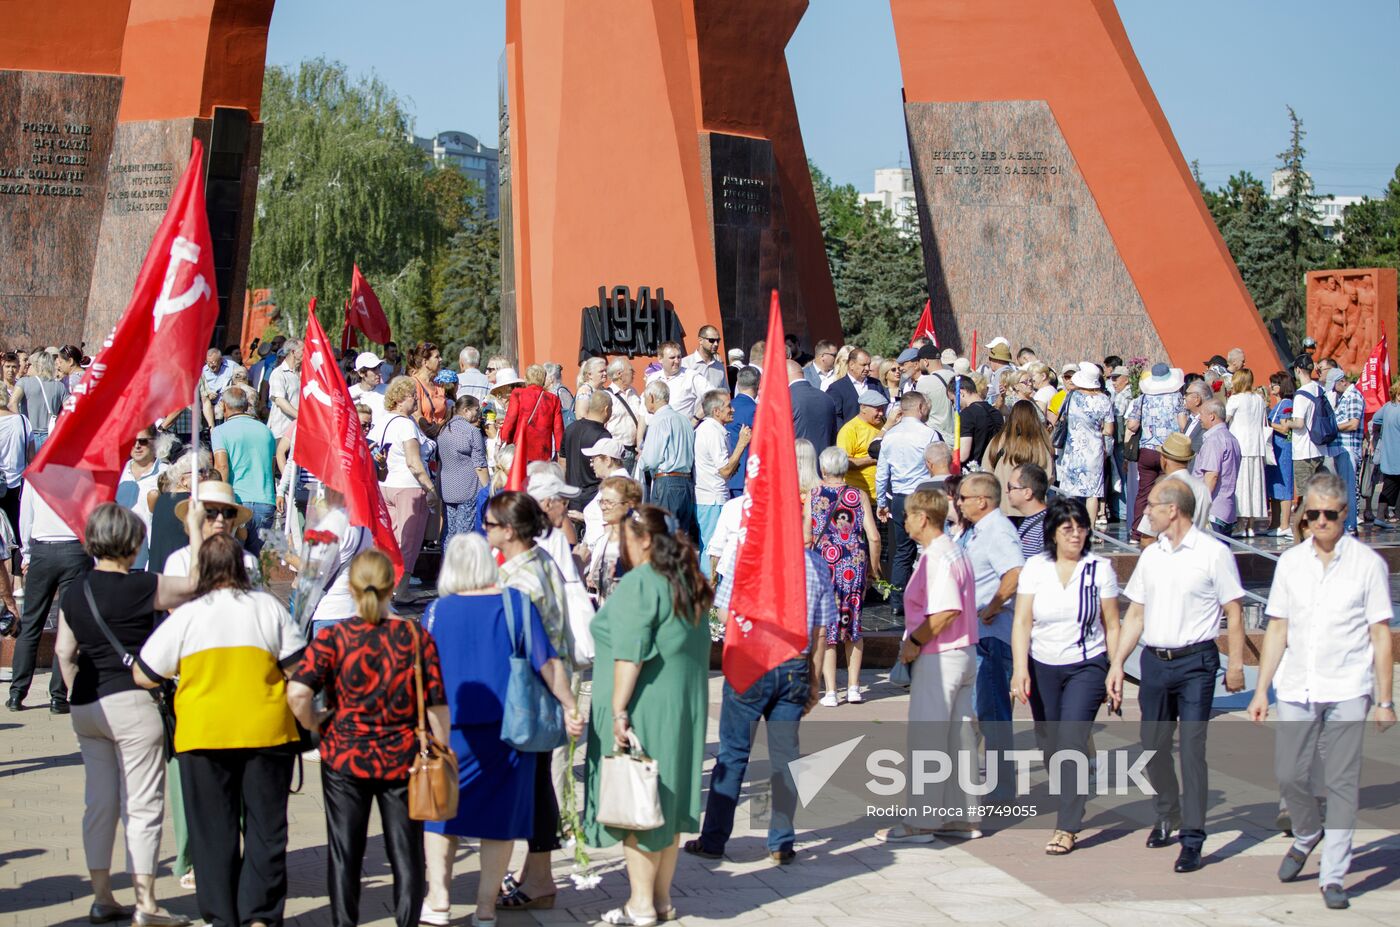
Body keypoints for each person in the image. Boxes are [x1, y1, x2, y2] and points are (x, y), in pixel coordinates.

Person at [135, 534, 308, 927]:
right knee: (266, 830)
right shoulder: (267, 607)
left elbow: (144, 673)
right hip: (266, 733)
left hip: (203, 735)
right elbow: (301, 668)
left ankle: (221, 917)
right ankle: (260, 915)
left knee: (212, 833)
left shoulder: (189, 615)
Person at [1247, 472, 1395, 910]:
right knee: (1291, 774)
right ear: (1304, 516)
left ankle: (1333, 874)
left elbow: (1381, 634)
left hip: (1349, 684)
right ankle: (1308, 833)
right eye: (1313, 515)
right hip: (1296, 683)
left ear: (1345, 515)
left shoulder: (1368, 565)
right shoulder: (1291, 563)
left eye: (1330, 514)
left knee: (1342, 781)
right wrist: (1261, 691)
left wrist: (1385, 700)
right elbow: (1277, 627)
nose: (1322, 522)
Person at [419, 534, 584, 926]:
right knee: (499, 823)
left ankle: (439, 901)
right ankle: (486, 909)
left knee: (441, 815)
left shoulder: (435, 612)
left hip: (448, 730)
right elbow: (548, 663)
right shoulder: (515, 604)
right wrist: (569, 704)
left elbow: (422, 674)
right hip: (509, 731)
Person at [54, 504, 203, 927]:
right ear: (134, 543)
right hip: (133, 702)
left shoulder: (75, 590)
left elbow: (66, 653)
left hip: (87, 705)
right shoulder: (142, 586)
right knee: (142, 805)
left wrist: (76, 694)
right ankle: (146, 903)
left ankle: (102, 896)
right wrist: (193, 531)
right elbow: (196, 583)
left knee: (98, 803)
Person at [287, 550, 450, 927]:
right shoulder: (414, 636)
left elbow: (296, 692)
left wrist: (318, 723)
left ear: (351, 587)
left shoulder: (336, 638)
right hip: (401, 756)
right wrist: (440, 748)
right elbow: (437, 704)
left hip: (345, 754)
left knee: (345, 851)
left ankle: (345, 921)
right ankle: (406, 921)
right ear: (391, 586)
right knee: (406, 851)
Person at [1107, 479, 1246, 874]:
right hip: (1154, 660)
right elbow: (1135, 614)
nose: (1145, 511)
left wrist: (1235, 664)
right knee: (1152, 744)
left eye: (1152, 505)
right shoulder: (1151, 556)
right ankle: (1167, 813)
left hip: (1196, 663)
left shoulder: (1213, 553)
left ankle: (1193, 839)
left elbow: (1234, 611)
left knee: (1191, 750)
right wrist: (1117, 663)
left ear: (1174, 510)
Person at [583, 505, 712, 926]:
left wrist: (619, 711)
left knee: (641, 803)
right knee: (666, 803)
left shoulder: (642, 582)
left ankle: (640, 904)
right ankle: (660, 900)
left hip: (646, 703)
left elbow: (629, 653)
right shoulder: (687, 579)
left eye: (623, 535)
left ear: (641, 539)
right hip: (681, 703)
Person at [684, 541, 834, 863]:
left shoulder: (746, 556)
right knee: (785, 756)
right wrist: (814, 680)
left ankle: (713, 839)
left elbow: (724, 615)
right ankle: (781, 841)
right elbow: (820, 631)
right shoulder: (816, 564)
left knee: (734, 753)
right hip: (794, 663)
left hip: (752, 659)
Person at [1010, 498, 1120, 855]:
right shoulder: (1036, 568)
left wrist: (1115, 667)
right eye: (1067, 528)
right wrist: (1020, 669)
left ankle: (1067, 825)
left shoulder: (1098, 568)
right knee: (1051, 743)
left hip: (1086, 664)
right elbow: (1022, 620)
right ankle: (1074, 783)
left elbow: (1112, 624)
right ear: (1053, 533)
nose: (1075, 534)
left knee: (1071, 741)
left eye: (1081, 527)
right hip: (1042, 664)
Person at [485, 492, 575, 910]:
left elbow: (534, 646)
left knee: (531, 785)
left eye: (490, 524)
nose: (485, 530)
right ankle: (536, 874)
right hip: (543, 684)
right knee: (537, 783)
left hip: (531, 688)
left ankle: (537, 876)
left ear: (509, 530)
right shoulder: (540, 561)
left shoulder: (521, 577)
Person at [878, 488, 981, 843]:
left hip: (940, 656)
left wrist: (914, 643)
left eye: (907, 515)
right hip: (963, 652)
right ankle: (961, 816)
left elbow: (946, 609)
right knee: (959, 735)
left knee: (928, 737)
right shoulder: (953, 549)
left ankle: (921, 822)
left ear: (923, 517)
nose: (904, 521)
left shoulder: (937, 555)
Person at [953, 471, 1025, 803]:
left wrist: (991, 607)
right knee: (977, 712)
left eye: (964, 497)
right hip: (973, 635)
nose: (959, 502)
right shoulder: (976, 531)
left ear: (982, 501)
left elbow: (1014, 572)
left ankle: (1001, 791)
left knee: (993, 713)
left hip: (991, 637)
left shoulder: (998, 530)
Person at [810, 447, 881, 707]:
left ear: (824, 468)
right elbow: (873, 535)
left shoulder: (814, 495)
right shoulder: (857, 494)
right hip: (853, 565)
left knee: (828, 626)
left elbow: (807, 535)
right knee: (853, 624)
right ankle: (854, 688)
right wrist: (873, 567)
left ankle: (830, 691)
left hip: (823, 566)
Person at [9, 486, 84, 713]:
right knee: (67, 627)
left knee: (31, 624)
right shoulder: (83, 474)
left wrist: (27, 553)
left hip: (43, 548)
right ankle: (58, 697)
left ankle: (16, 693)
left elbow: (26, 518)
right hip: (74, 548)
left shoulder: (36, 474)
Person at [372, 376, 438, 602]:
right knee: (409, 541)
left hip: (386, 484)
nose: (416, 401)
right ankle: (400, 590)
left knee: (392, 539)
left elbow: (372, 448)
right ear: (400, 399)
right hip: (408, 487)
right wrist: (430, 488)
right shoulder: (406, 425)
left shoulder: (382, 421)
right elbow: (413, 462)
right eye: (412, 396)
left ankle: (388, 584)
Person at [876, 392, 938, 612]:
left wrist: (882, 501)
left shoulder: (891, 435)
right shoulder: (929, 434)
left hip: (900, 498)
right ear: (920, 407)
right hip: (921, 496)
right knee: (929, 548)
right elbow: (936, 466)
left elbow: (882, 473)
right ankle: (927, 597)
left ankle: (897, 601)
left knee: (902, 551)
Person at [211, 388, 277, 555]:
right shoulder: (266, 431)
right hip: (265, 502)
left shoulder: (220, 431)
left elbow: (221, 467)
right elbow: (271, 465)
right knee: (252, 563)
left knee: (232, 562)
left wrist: (218, 500)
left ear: (224, 407)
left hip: (237, 502)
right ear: (247, 405)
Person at [1125, 364, 1188, 537]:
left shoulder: (1142, 398)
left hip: (1146, 450)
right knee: (1168, 489)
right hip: (1168, 451)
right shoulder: (1177, 398)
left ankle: (1138, 530)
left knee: (1144, 491)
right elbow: (1183, 424)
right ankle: (1165, 528)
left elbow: (1132, 424)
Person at [694, 390, 751, 555]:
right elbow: (726, 471)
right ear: (716, 411)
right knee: (713, 549)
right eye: (728, 406)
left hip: (714, 497)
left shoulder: (715, 430)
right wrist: (741, 444)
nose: (732, 410)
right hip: (712, 499)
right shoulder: (712, 432)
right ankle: (710, 581)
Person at [1056, 363, 1114, 524]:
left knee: (1070, 491)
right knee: (1093, 493)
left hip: (1073, 449)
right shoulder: (1104, 400)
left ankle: (1069, 525)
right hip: (1094, 451)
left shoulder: (1072, 396)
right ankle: (1091, 529)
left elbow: (1061, 419)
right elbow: (1109, 430)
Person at [639, 380, 698, 539]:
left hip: (666, 483)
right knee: (680, 538)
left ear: (651, 397)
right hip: (686, 483)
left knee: (663, 537)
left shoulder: (659, 420)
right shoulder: (684, 420)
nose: (645, 403)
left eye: (645, 399)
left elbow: (651, 459)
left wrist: (641, 459)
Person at [1134, 433, 1211, 545]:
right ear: (1188, 460)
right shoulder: (1202, 488)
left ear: (1164, 459)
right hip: (1195, 552)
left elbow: (1148, 536)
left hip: (1168, 554)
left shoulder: (1163, 488)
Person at [985, 399, 1054, 515]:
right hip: (1031, 508)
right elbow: (1048, 477)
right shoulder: (1040, 446)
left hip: (1002, 506)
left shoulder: (998, 442)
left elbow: (986, 470)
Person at [438, 395, 489, 545]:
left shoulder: (444, 429)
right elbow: (479, 465)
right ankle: (461, 566)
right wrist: (487, 488)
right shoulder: (471, 431)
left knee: (449, 533)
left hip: (447, 488)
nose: (479, 414)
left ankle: (446, 564)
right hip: (468, 488)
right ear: (466, 410)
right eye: (476, 410)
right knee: (464, 534)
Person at [584, 475, 643, 602]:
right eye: (602, 502)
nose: (604, 507)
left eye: (609, 502)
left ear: (629, 505)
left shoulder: (636, 541)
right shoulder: (605, 539)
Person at [1225, 369, 1268, 537]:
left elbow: (1225, 418)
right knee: (1254, 485)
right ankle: (1251, 525)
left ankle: (1240, 525)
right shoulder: (1259, 399)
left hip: (1240, 445)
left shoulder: (1235, 399)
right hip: (1256, 446)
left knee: (1241, 485)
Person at [1191, 398, 1242, 536]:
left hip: (1213, 511)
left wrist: (1201, 507)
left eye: (1201, 414)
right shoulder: (1231, 438)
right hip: (1226, 509)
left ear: (1212, 416)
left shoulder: (1214, 440)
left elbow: (1211, 476)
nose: (1199, 418)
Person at [1286, 354, 1331, 498]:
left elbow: (1299, 423)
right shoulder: (1319, 389)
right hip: (1319, 448)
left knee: (1306, 497)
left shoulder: (1301, 394)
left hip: (1303, 452)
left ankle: (1307, 521)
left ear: (1298, 370)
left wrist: (1286, 422)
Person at [501, 364, 564, 465]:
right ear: (543, 379)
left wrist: (505, 440)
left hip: (521, 450)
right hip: (543, 453)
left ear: (526, 379)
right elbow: (558, 430)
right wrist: (560, 453)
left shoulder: (518, 394)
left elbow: (510, 421)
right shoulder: (553, 399)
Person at [561, 390, 614, 508]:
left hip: (572, 496)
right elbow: (607, 470)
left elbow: (562, 463)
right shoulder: (603, 435)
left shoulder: (570, 429)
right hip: (593, 498)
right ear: (606, 409)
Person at [8, 348, 67, 450]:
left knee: (28, 465)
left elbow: (12, 403)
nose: (27, 366)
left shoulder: (24, 382)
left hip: (29, 434)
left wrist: (20, 425)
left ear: (38, 366)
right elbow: (70, 409)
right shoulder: (60, 386)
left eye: (30, 364)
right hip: (51, 436)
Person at [1330, 372, 1365, 535]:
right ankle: (1347, 523)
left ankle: (1350, 525)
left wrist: (1332, 428)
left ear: (1342, 381)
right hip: (1342, 448)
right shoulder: (1345, 396)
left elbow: (1353, 424)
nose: (1334, 391)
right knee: (1344, 487)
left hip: (1349, 448)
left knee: (1348, 487)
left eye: (1335, 386)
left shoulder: (1353, 396)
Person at [835, 390, 885, 500]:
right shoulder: (850, 430)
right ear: (863, 408)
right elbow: (844, 463)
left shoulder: (884, 424)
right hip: (859, 496)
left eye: (882, 409)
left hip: (883, 495)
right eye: (877, 409)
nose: (881, 413)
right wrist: (873, 459)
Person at [1266, 371, 1297, 537]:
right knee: (1275, 487)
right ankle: (1275, 523)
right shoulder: (1278, 404)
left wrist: (1269, 424)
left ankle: (1285, 524)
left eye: (1274, 383)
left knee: (1284, 487)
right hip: (1275, 449)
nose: (1271, 386)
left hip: (1283, 449)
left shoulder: (1286, 404)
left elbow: (1285, 429)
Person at [949, 375, 1002, 469]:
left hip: (974, 473)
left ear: (961, 393)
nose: (954, 405)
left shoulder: (966, 414)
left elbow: (963, 455)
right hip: (994, 469)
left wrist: (947, 454)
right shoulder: (996, 413)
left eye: (953, 400)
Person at [649, 341, 709, 420]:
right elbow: (643, 412)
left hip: (682, 430)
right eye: (672, 358)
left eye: (679, 357)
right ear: (660, 359)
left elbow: (714, 397)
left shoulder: (691, 377)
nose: (677, 361)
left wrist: (696, 419)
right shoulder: (652, 378)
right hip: (656, 429)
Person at [827, 348, 887, 427]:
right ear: (851, 365)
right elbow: (835, 417)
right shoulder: (836, 388)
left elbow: (885, 408)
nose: (867, 368)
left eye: (868, 364)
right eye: (864, 365)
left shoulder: (875, 384)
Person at [788, 359, 838, 454]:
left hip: (798, 462)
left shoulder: (786, 400)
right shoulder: (827, 398)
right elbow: (833, 437)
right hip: (824, 463)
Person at [604, 358, 645, 469]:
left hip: (635, 451)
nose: (634, 374)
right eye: (631, 371)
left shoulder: (633, 392)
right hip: (617, 452)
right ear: (619, 374)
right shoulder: (607, 396)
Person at [406, 341, 449, 438]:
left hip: (441, 437)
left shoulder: (439, 386)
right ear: (425, 362)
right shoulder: (414, 384)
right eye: (437, 357)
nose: (441, 359)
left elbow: (446, 416)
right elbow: (417, 416)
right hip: (423, 438)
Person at [1374, 377, 1400, 526]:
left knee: (1389, 485)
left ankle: (1381, 516)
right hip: (1397, 455)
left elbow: (1376, 419)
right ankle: (1382, 517)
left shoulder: (1388, 407)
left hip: (1389, 455)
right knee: (1391, 487)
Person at [1008, 462, 1049, 557]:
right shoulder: (1030, 521)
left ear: (1027, 493)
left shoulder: (1046, 527)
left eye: (1010, 487)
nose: (1007, 491)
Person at [265, 340, 302, 440]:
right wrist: (301, 417)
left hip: (299, 431)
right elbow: (280, 401)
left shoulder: (304, 373)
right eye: (303, 350)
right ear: (293, 352)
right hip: (282, 432)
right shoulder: (279, 373)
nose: (306, 353)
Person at [347, 351, 388, 428]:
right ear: (361, 373)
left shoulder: (389, 390)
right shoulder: (349, 394)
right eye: (374, 369)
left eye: (379, 367)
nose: (379, 372)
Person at [683, 325, 728, 393]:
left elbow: (725, 392)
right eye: (711, 340)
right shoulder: (686, 364)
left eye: (718, 340)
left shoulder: (720, 366)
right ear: (700, 340)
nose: (716, 344)